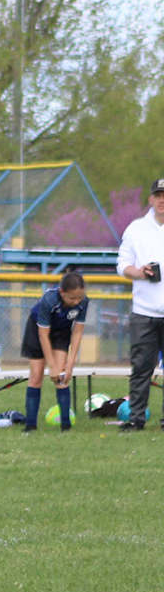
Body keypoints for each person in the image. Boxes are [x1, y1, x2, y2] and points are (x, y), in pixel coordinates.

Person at [115, 178, 164, 431]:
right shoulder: (136, 229)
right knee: (141, 369)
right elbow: (122, 264)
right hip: (143, 313)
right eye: (158, 195)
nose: (162, 200)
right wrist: (139, 272)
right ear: (150, 199)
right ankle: (136, 419)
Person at [19, 267, 89, 432]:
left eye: (80, 297)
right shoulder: (49, 300)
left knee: (61, 377)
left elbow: (77, 332)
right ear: (62, 292)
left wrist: (71, 362)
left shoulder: (83, 302)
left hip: (61, 333)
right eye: (72, 298)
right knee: (36, 376)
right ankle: (30, 426)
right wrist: (51, 365)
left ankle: (66, 425)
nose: (77, 302)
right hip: (38, 331)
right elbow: (43, 335)